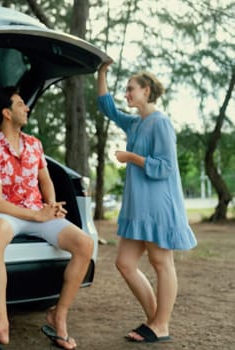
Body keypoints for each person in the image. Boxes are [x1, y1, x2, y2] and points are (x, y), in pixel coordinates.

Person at [0, 86, 94, 350]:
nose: (26, 108)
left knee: (85, 244)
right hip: (8, 213)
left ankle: (58, 315)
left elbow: (45, 180)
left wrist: (51, 205)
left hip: (38, 211)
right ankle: (2, 323)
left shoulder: (34, 145)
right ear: (7, 113)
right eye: (20, 104)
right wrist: (37, 214)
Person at [97, 61, 197, 343]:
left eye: (131, 89)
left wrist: (131, 158)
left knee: (161, 261)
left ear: (146, 90)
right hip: (138, 207)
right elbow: (108, 109)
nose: (126, 94)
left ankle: (160, 325)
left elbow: (165, 167)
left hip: (158, 205)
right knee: (125, 262)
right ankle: (156, 318)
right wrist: (102, 72)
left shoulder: (161, 122)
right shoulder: (135, 122)